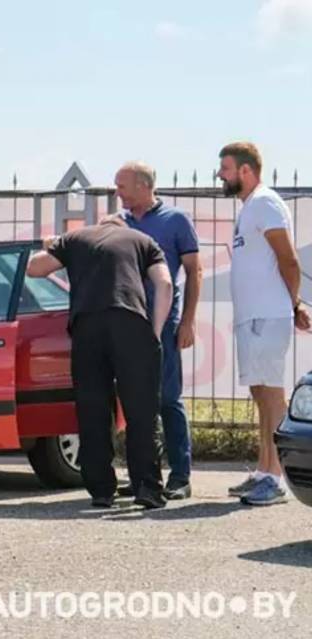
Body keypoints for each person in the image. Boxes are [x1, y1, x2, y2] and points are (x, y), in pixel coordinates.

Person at [28, 216, 173, 509]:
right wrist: (154, 333)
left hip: (87, 326)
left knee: (92, 408)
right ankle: (147, 487)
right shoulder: (143, 241)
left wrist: (53, 245)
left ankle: (101, 490)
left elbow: (35, 268)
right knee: (141, 410)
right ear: (122, 229)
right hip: (130, 323)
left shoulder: (76, 238)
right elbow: (165, 284)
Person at [218, 141, 311, 506]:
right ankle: (262, 471)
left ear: (245, 170)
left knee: (271, 394)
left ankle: (275, 479)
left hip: (268, 315)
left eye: (225, 168)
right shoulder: (250, 208)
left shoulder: (265, 202)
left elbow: (288, 259)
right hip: (254, 316)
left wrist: (295, 302)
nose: (220, 175)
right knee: (260, 393)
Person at [114, 161, 202, 500]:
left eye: (122, 186)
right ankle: (142, 476)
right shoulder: (118, 223)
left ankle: (180, 476)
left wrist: (188, 321)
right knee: (135, 403)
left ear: (143, 186)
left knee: (168, 399)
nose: (117, 192)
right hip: (126, 324)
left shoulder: (176, 221)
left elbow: (195, 272)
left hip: (163, 326)